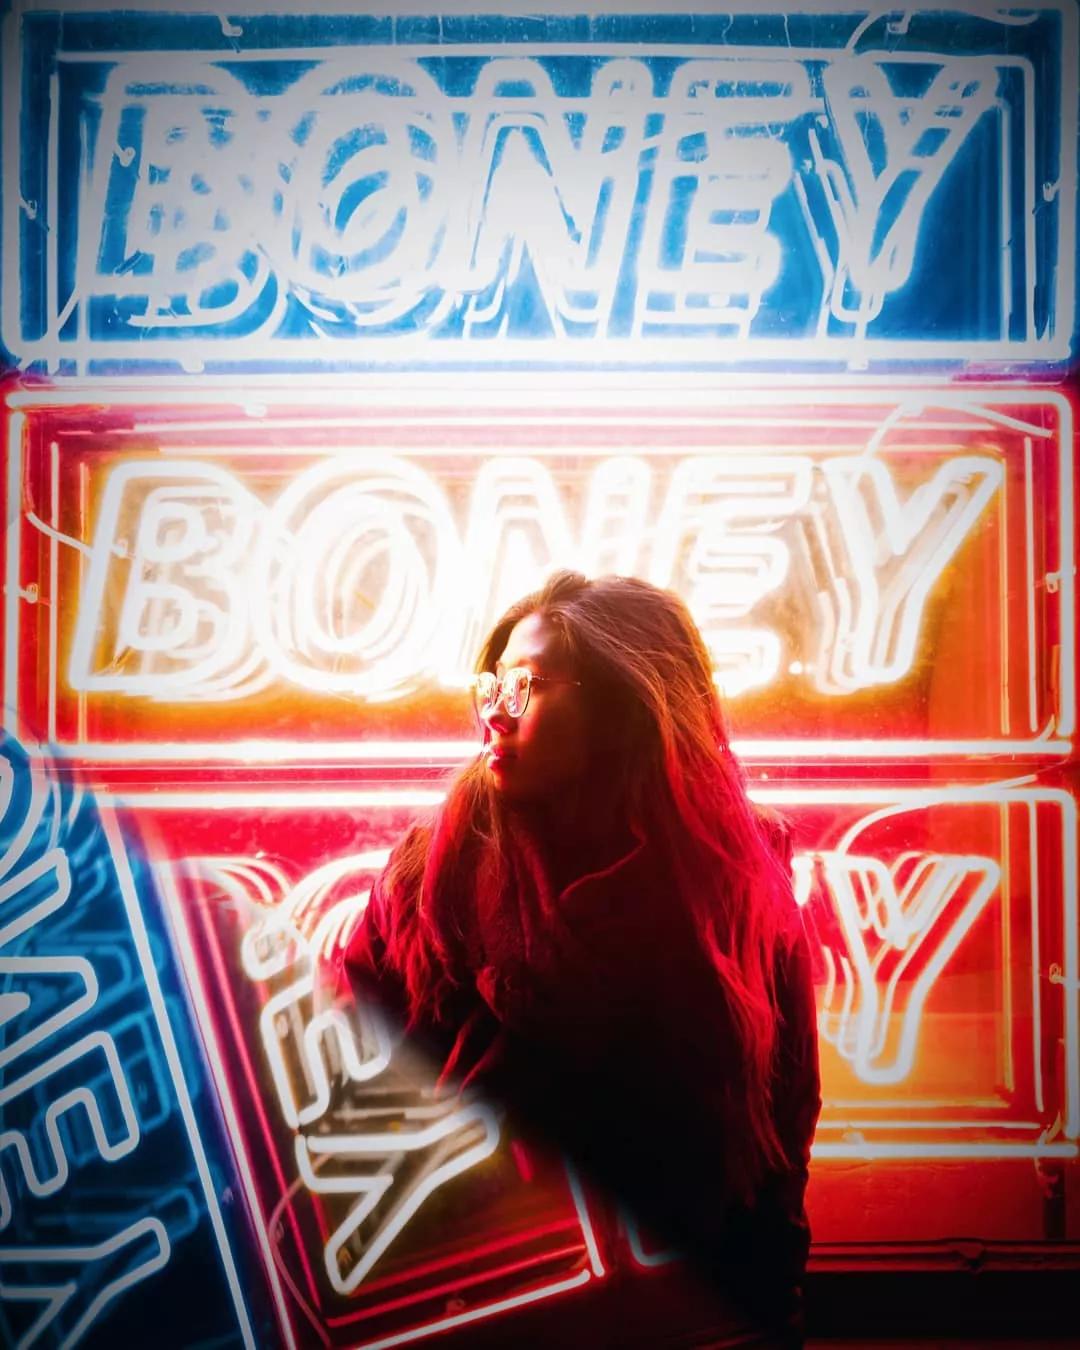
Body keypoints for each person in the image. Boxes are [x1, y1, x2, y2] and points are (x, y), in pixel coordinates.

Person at [339, 570, 821, 1348]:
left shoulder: (733, 887)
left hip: (679, 1305)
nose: (495, 713)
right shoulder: (434, 872)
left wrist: (769, 1303)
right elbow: (353, 1070)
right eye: (492, 686)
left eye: (525, 687)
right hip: (476, 1302)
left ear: (625, 710)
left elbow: (783, 1123)